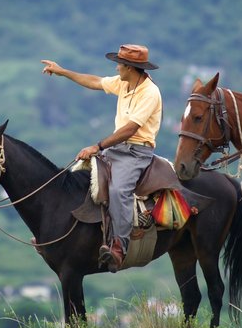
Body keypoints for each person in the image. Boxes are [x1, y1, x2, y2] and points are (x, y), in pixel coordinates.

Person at [41, 44, 163, 272]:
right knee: (80, 174)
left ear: (130, 67)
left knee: (119, 191)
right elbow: (95, 81)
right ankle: (61, 237)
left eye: (119, 64)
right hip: (117, 149)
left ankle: (119, 248)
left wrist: (97, 146)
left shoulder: (150, 92)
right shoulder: (125, 82)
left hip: (137, 152)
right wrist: (62, 71)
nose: (116, 67)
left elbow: (130, 130)